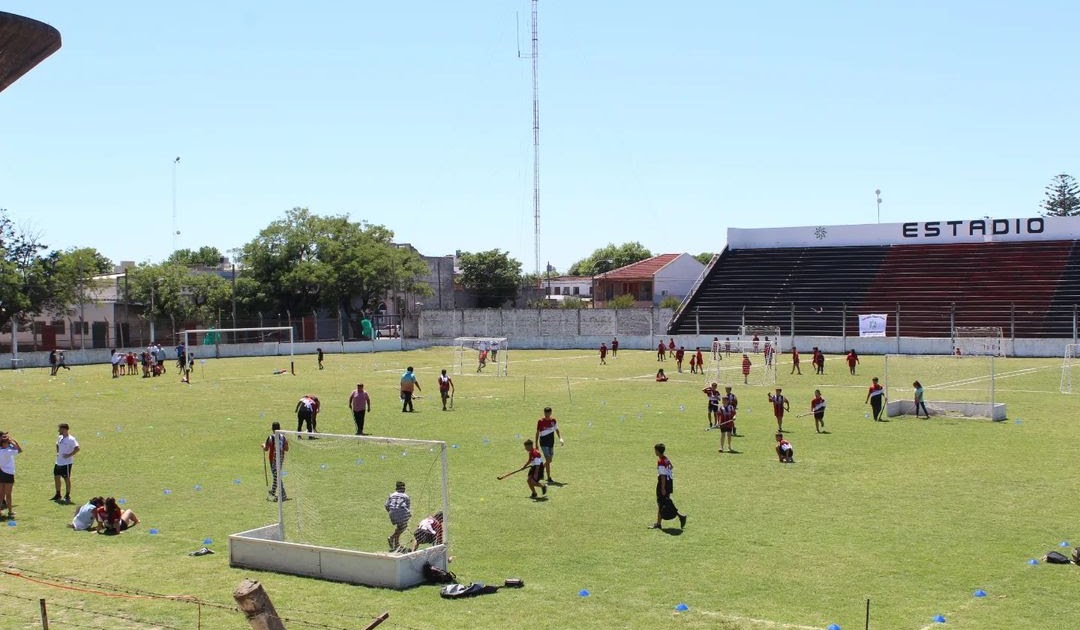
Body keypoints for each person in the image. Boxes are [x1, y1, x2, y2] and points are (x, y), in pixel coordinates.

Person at [650, 443, 686, 530]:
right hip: (669, 483)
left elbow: (662, 476)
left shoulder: (661, 461)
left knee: (662, 503)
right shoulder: (666, 459)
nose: (654, 452)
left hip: (664, 484)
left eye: (655, 450)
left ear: (658, 451)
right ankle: (659, 523)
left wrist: (662, 488)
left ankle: (680, 516)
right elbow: (671, 467)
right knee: (664, 502)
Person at [534, 407, 564, 483]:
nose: (547, 415)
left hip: (551, 443)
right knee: (548, 460)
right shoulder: (540, 421)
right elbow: (537, 433)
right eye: (545, 413)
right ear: (544, 413)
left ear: (551, 413)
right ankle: (540, 470)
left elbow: (557, 429)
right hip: (543, 443)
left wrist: (560, 438)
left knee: (549, 461)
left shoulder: (553, 421)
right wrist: (536, 444)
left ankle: (549, 477)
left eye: (548, 413)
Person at [52, 423, 80, 504]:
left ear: (64, 429)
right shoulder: (60, 437)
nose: (58, 430)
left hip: (66, 463)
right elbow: (57, 444)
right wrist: (58, 452)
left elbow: (77, 448)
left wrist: (69, 455)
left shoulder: (71, 439)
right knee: (56, 477)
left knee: (66, 478)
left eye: (60, 429)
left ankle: (67, 495)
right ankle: (58, 494)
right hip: (58, 462)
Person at [262, 422, 289, 501]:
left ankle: (282, 495)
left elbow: (266, 449)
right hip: (280, 459)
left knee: (276, 476)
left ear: (272, 428)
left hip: (273, 459)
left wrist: (263, 446)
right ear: (279, 428)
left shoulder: (270, 437)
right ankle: (273, 492)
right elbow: (286, 449)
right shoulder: (283, 437)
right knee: (276, 476)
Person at [0, 431, 22, 520]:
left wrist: (7, 440)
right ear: (5, 443)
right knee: (8, 494)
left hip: (1, 473)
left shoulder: (2, 450)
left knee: (1, 494)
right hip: (8, 474)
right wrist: (12, 440)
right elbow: (19, 450)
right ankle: (10, 512)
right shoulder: (8, 451)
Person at [385, 481, 412, 552]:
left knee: (399, 527)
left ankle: (396, 543)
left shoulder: (391, 495)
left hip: (392, 513)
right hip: (402, 513)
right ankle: (392, 538)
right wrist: (408, 515)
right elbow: (408, 507)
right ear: (403, 488)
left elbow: (386, 505)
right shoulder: (406, 496)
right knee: (403, 527)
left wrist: (391, 512)